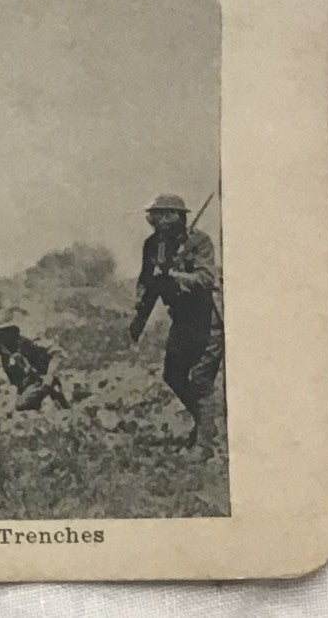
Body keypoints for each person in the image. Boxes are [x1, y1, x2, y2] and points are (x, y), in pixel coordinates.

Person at [132, 194, 225, 458]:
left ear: (177, 216)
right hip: (182, 320)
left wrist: (174, 276)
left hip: (208, 320)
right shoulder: (152, 246)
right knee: (172, 375)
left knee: (200, 380)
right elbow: (147, 282)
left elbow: (206, 278)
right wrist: (139, 317)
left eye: (164, 215)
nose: (158, 220)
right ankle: (207, 426)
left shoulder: (199, 242)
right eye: (155, 215)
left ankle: (206, 445)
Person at [0, 322, 69, 411]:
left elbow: (57, 354)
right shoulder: (5, 355)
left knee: (20, 405)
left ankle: (51, 395)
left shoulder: (27, 344)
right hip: (28, 386)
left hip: (41, 381)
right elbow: (15, 381)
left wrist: (49, 377)